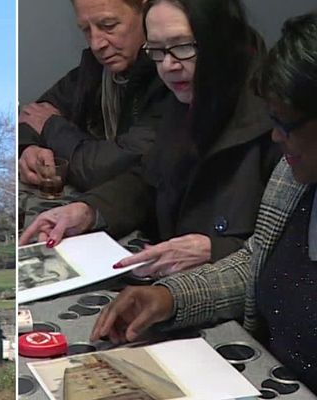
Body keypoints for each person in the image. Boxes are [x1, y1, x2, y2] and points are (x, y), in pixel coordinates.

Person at [91, 11, 317, 392]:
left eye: (285, 124)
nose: (276, 138)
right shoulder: (292, 179)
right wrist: (170, 298)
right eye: (157, 51)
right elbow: (254, 265)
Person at [20, 0, 280, 278]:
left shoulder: (278, 122)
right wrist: (89, 211)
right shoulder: (187, 98)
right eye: (156, 51)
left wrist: (216, 249)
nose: (168, 65)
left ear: (223, 39)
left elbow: (290, 257)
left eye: (182, 46)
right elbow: (149, 180)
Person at [19, 0, 169, 191]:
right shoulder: (92, 71)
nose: (96, 44)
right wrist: (29, 150)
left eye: (108, 26)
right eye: (86, 30)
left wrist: (50, 127)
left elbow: (114, 168)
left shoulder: (171, 79)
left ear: (147, 12)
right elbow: (31, 116)